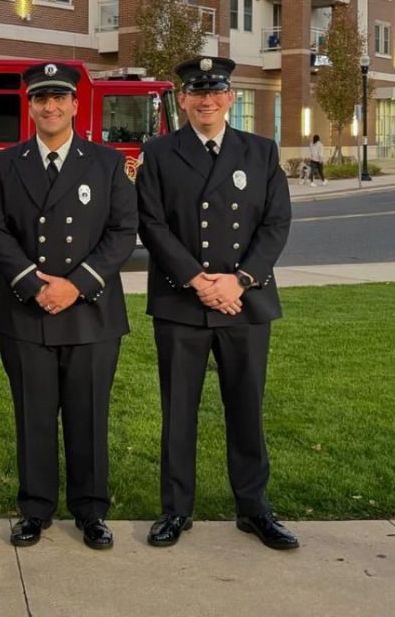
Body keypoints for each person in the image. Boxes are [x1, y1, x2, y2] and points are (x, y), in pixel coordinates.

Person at [135, 56, 298, 550]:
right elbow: (152, 224)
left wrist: (239, 281)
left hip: (244, 303)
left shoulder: (261, 152)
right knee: (178, 411)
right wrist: (196, 279)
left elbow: (275, 224)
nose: (207, 100)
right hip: (183, 302)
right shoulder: (159, 153)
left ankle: (254, 509)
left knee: (246, 408)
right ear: (182, 99)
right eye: (197, 91)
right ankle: (175, 510)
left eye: (216, 91)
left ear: (231, 98)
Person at [0, 62, 138, 550]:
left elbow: (122, 232)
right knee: (33, 414)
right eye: (40, 99)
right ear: (29, 107)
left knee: (89, 415)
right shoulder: (6, 163)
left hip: (90, 311)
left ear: (74, 104)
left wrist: (77, 284)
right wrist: (33, 283)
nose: (50, 107)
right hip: (26, 310)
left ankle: (91, 511)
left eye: (58, 98)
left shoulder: (107, 163)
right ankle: (35, 509)